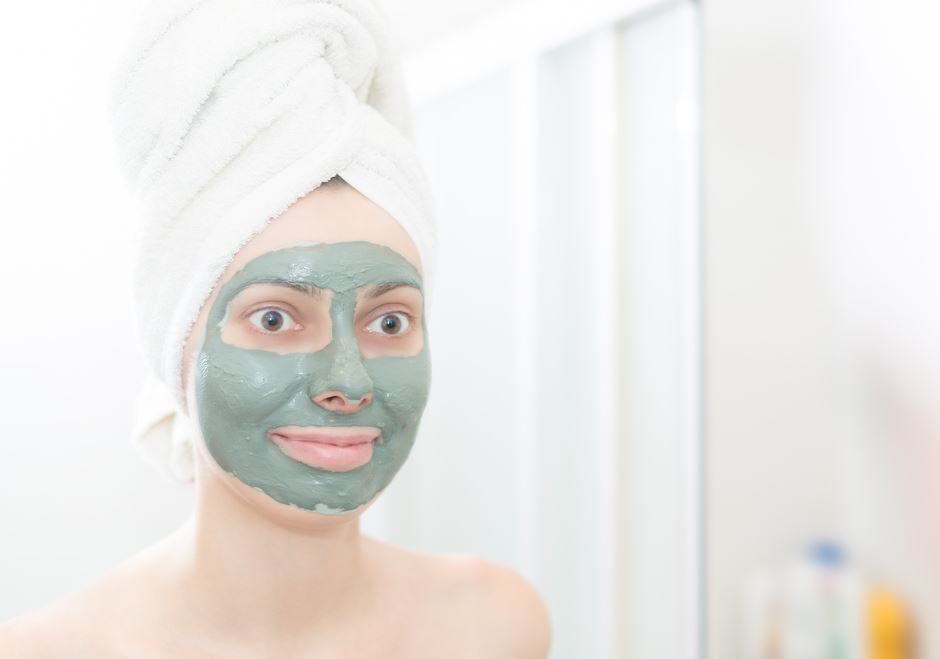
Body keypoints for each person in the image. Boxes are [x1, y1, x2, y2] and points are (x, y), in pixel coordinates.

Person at [1, 0, 551, 655]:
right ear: (177, 348)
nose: (346, 379)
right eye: (274, 318)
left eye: (389, 319)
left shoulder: (492, 625)